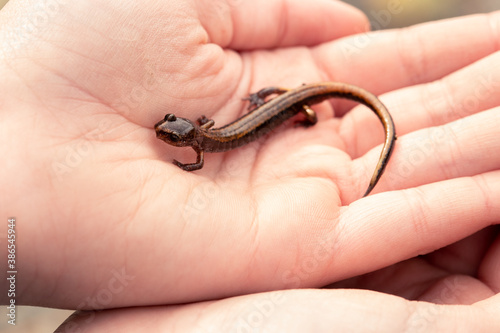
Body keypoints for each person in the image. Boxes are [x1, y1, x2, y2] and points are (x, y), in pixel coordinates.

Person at [0, 0, 498, 331]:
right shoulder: (201, 137)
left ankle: (304, 109)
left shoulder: (200, 146)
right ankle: (299, 107)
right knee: (283, 107)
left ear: (182, 135)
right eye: (168, 132)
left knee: (294, 108)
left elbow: (195, 164)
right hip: (274, 104)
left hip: (285, 103)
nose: (167, 131)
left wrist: (297, 112)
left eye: (167, 130)